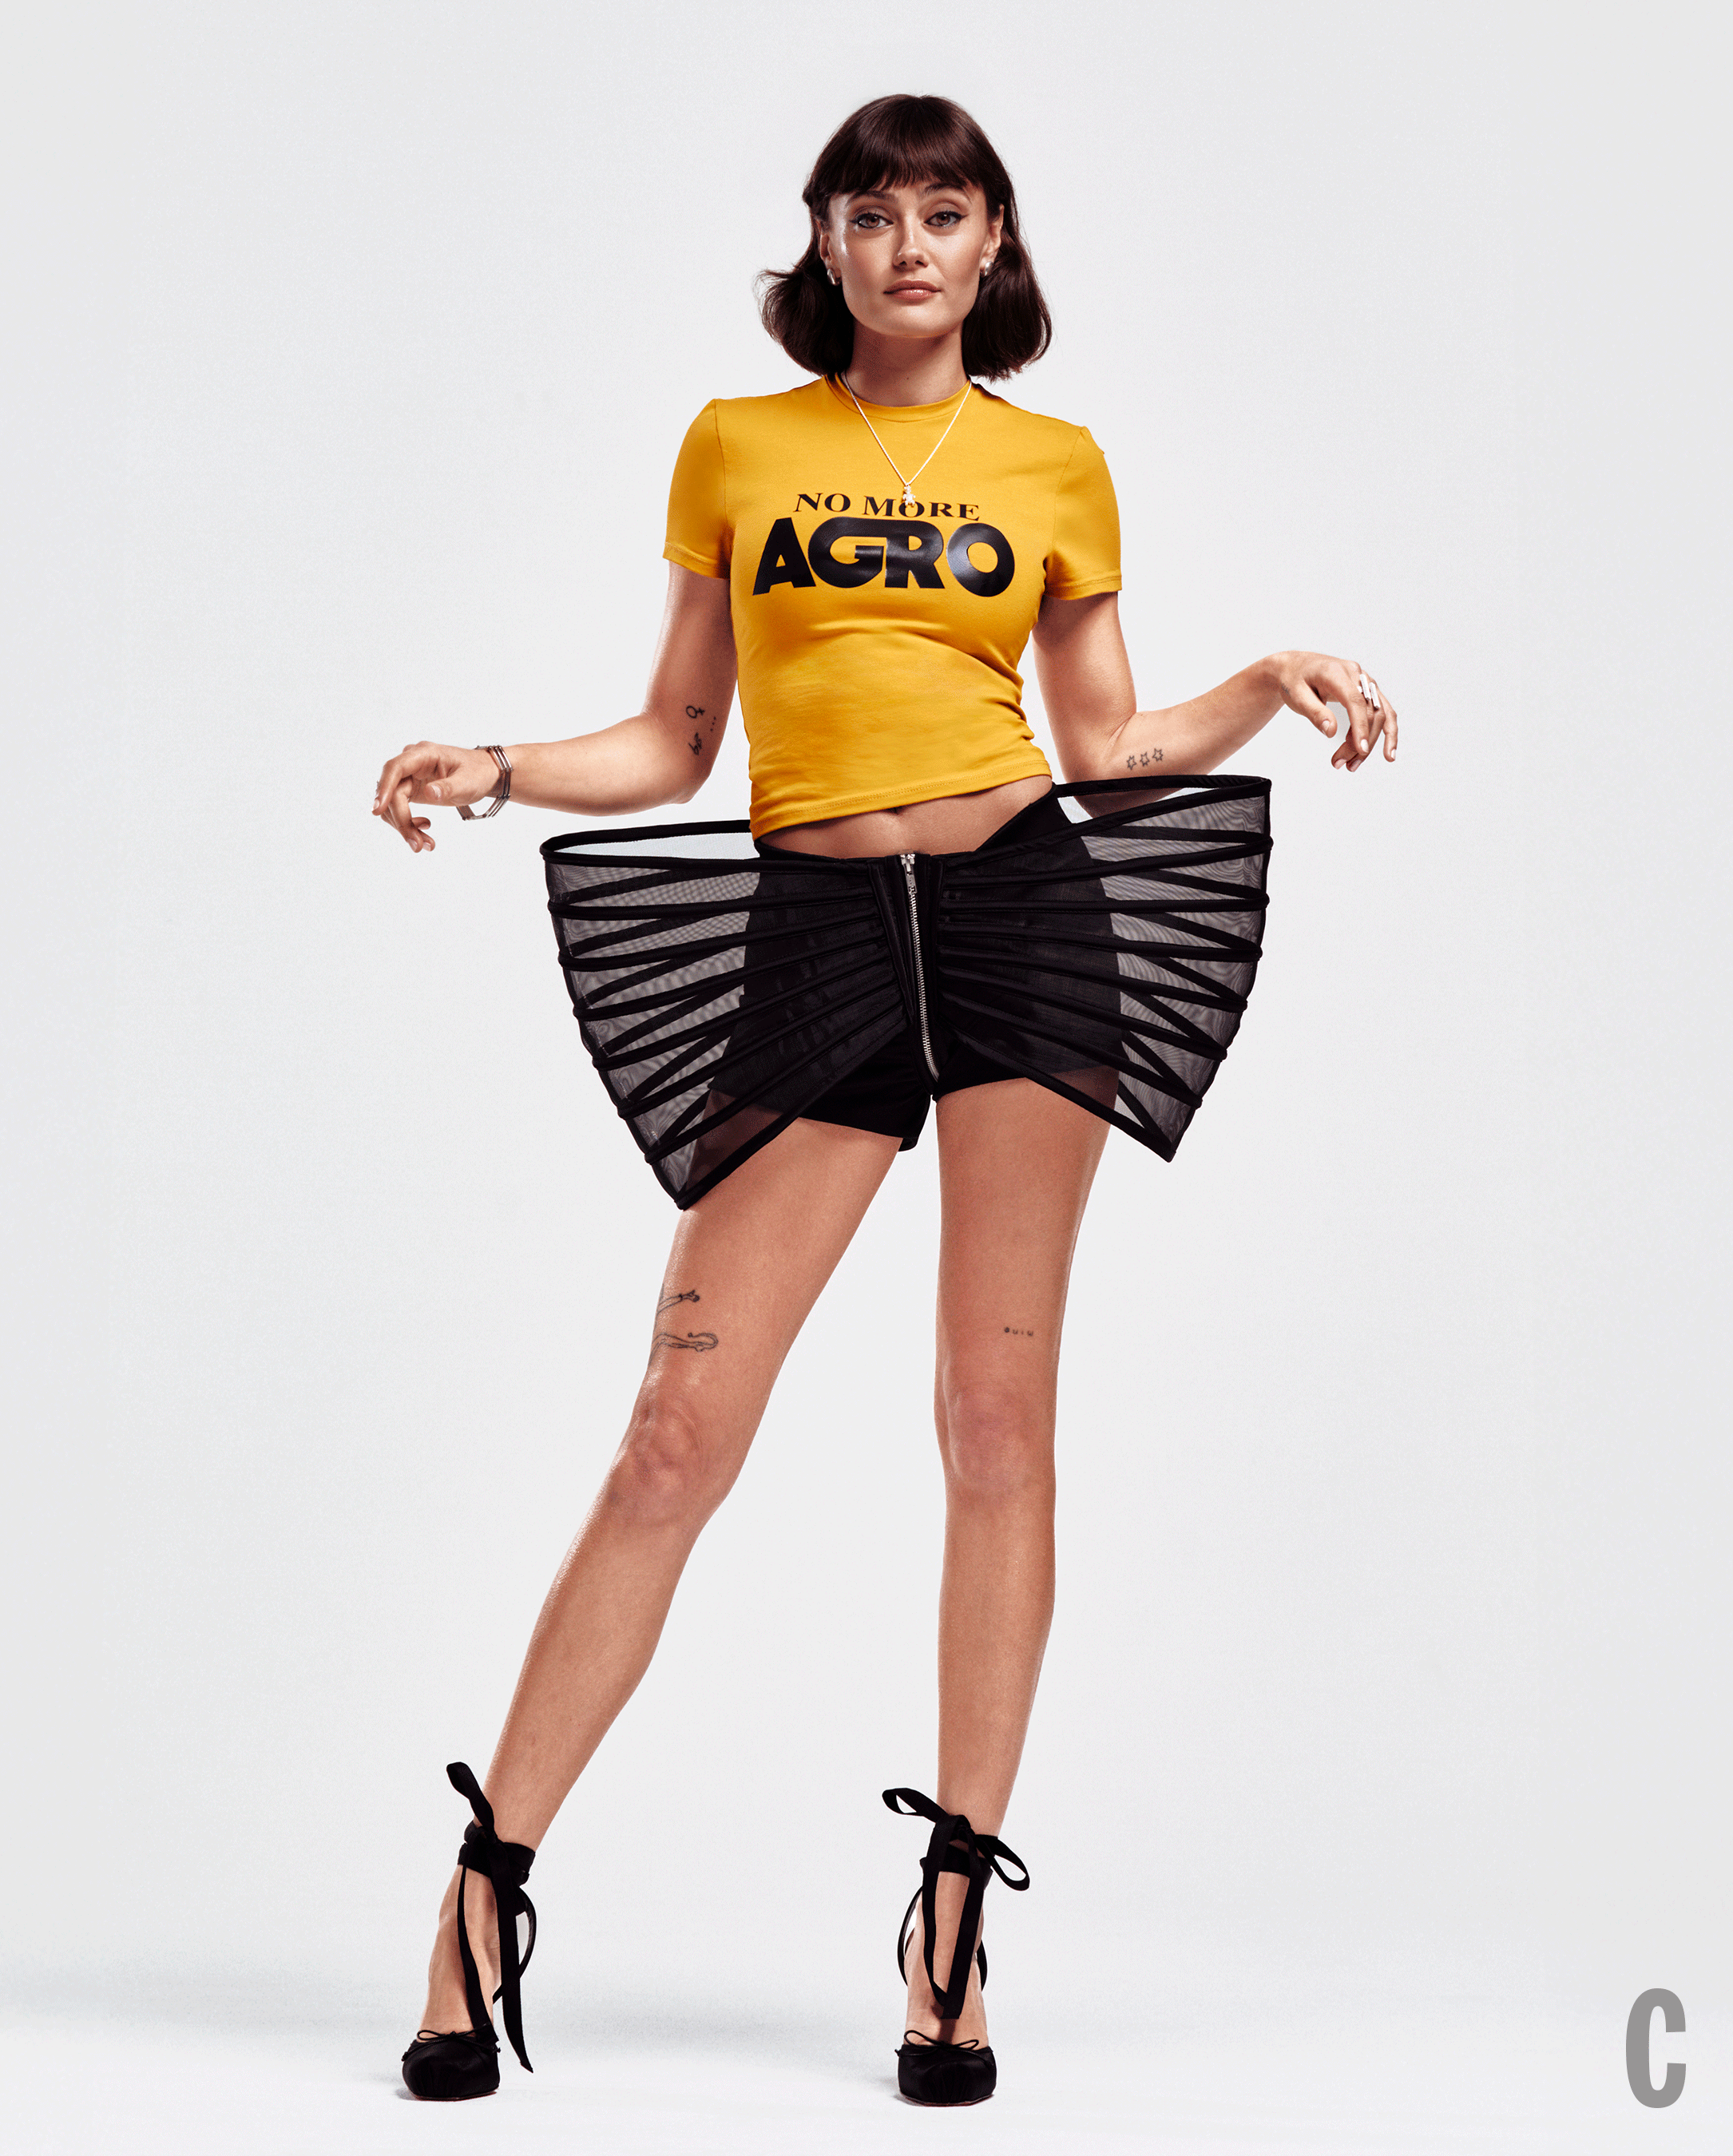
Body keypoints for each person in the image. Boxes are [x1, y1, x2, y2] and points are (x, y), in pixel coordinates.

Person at [371, 91, 1397, 2110]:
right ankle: (481, 1893)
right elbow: (677, 738)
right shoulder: (737, 444)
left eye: (946, 212)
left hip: (1020, 920)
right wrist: (498, 766)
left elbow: (1103, 745)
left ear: (992, 242)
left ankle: (949, 1929)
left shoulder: (1053, 463)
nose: (910, 246)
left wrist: (1260, 679)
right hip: (817, 935)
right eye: (872, 212)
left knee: (991, 1423)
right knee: (675, 1431)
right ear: (823, 242)